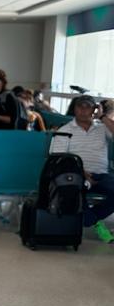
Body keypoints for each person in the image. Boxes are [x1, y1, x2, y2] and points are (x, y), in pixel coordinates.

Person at [50, 95, 114, 243]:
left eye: (88, 107)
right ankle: (95, 223)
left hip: (101, 175)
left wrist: (103, 117)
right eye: (80, 106)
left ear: (94, 109)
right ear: (75, 109)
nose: (83, 110)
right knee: (73, 192)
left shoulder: (103, 128)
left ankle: (91, 218)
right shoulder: (65, 130)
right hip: (75, 174)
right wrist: (81, 173)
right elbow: (58, 158)